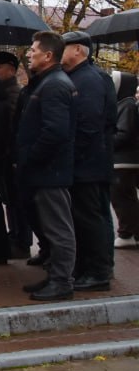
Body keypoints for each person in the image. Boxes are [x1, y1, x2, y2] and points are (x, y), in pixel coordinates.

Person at [15, 30, 77, 301]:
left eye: (34, 50)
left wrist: (31, 159)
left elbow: (55, 132)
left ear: (48, 55)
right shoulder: (46, 83)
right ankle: (54, 276)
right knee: (51, 227)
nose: (29, 54)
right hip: (45, 170)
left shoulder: (54, 85)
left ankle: (62, 281)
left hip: (50, 172)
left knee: (58, 228)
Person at [60, 30, 116, 291]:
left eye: (64, 47)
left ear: (78, 50)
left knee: (90, 217)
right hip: (91, 162)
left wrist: (72, 156)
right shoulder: (85, 77)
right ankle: (90, 267)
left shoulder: (88, 80)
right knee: (90, 216)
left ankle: (97, 271)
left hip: (88, 164)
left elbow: (88, 124)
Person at [0, 51, 30, 258]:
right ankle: (15, 235)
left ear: (11, 70)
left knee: (16, 200)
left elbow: (12, 127)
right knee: (10, 200)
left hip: (11, 156)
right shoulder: (1, 91)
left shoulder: (14, 93)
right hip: (4, 155)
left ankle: (21, 240)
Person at [112, 71, 139, 248]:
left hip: (124, 160)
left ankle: (128, 232)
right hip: (123, 159)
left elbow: (124, 133)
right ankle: (129, 232)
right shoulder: (124, 104)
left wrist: (106, 141)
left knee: (122, 197)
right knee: (123, 197)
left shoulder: (127, 105)